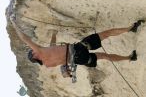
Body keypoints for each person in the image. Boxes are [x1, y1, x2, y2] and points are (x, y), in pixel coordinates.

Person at [10, 16, 145, 71]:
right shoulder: (39, 51)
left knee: (103, 56)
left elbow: (55, 52)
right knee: (105, 34)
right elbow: (25, 38)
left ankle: (129, 58)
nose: (33, 50)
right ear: (34, 56)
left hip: (79, 59)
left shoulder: (47, 64)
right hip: (78, 49)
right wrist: (14, 23)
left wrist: (54, 34)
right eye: (32, 52)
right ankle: (130, 29)